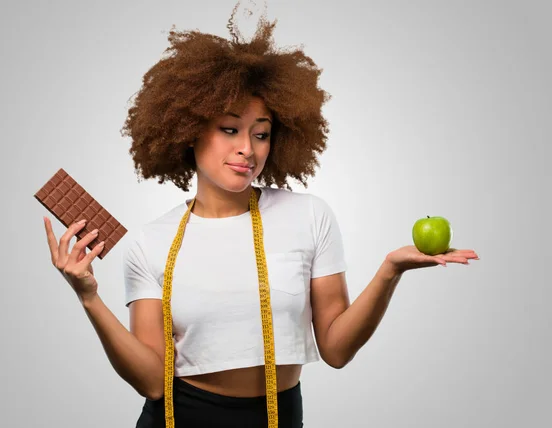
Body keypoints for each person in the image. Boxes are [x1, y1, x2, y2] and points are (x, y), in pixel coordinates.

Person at [42, 2, 479, 427]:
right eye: (229, 129)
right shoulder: (150, 242)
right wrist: (88, 296)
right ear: (189, 130)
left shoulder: (309, 216)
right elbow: (153, 383)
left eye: (261, 134)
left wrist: (390, 271)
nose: (247, 149)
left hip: (280, 416)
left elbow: (337, 350)